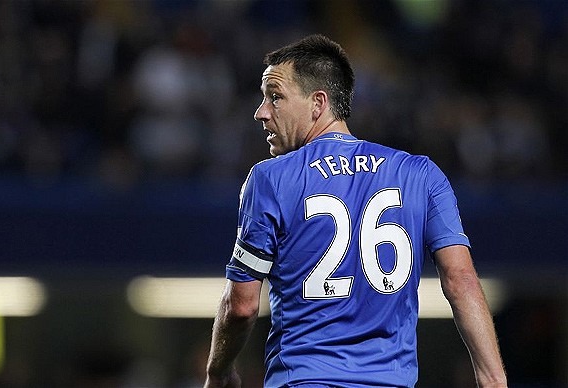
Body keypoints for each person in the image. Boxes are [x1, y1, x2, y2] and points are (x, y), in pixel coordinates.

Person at [204, 34, 507, 388]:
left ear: (318, 103)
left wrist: (218, 371)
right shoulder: (421, 174)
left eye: (275, 97)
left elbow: (241, 307)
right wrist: (494, 379)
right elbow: (461, 281)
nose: (262, 112)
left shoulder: (271, 179)